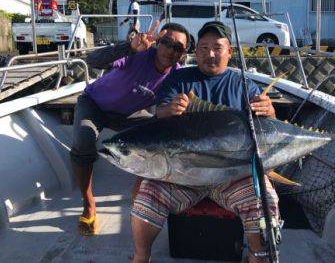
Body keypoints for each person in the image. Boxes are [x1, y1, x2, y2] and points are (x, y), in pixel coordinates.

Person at [131, 21, 280, 263]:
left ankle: (258, 258)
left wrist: (269, 111)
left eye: (217, 48)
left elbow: (266, 127)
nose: (210, 54)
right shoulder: (179, 79)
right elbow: (159, 114)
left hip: (231, 174)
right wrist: (168, 110)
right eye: (203, 48)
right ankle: (140, 258)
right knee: (148, 193)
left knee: (266, 200)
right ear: (196, 51)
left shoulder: (242, 84)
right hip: (182, 174)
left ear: (229, 52)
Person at [71, 21, 190, 235]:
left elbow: (167, 108)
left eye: (178, 48)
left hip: (128, 115)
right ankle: (88, 203)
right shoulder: (138, 52)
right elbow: (93, 60)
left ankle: (139, 187)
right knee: (83, 139)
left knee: (162, 131)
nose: (170, 50)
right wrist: (128, 48)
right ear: (157, 42)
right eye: (166, 42)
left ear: (182, 54)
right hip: (94, 104)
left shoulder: (176, 76)